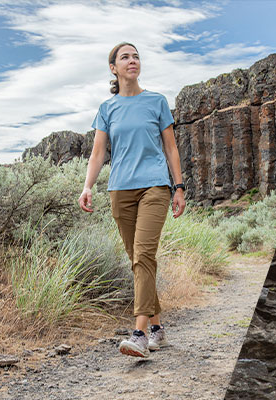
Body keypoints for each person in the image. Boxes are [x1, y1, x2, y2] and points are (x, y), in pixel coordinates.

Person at [79, 42, 186, 358]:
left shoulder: (157, 101)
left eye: (136, 56)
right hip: (119, 190)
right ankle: (157, 328)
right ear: (113, 68)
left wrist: (178, 187)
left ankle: (139, 333)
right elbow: (98, 153)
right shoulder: (107, 108)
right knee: (139, 262)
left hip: (155, 186)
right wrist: (88, 187)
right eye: (125, 57)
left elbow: (171, 148)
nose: (132, 60)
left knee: (143, 255)